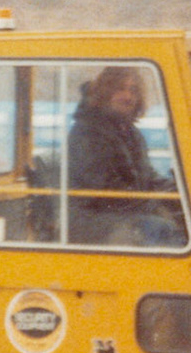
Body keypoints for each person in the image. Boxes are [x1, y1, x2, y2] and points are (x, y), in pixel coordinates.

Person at [66, 66, 184, 247]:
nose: (128, 97)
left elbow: (147, 176)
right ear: (105, 92)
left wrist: (176, 191)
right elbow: (105, 192)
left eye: (133, 90)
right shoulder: (88, 133)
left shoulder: (130, 132)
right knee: (161, 228)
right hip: (93, 216)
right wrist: (154, 203)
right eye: (120, 89)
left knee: (185, 216)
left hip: (125, 210)